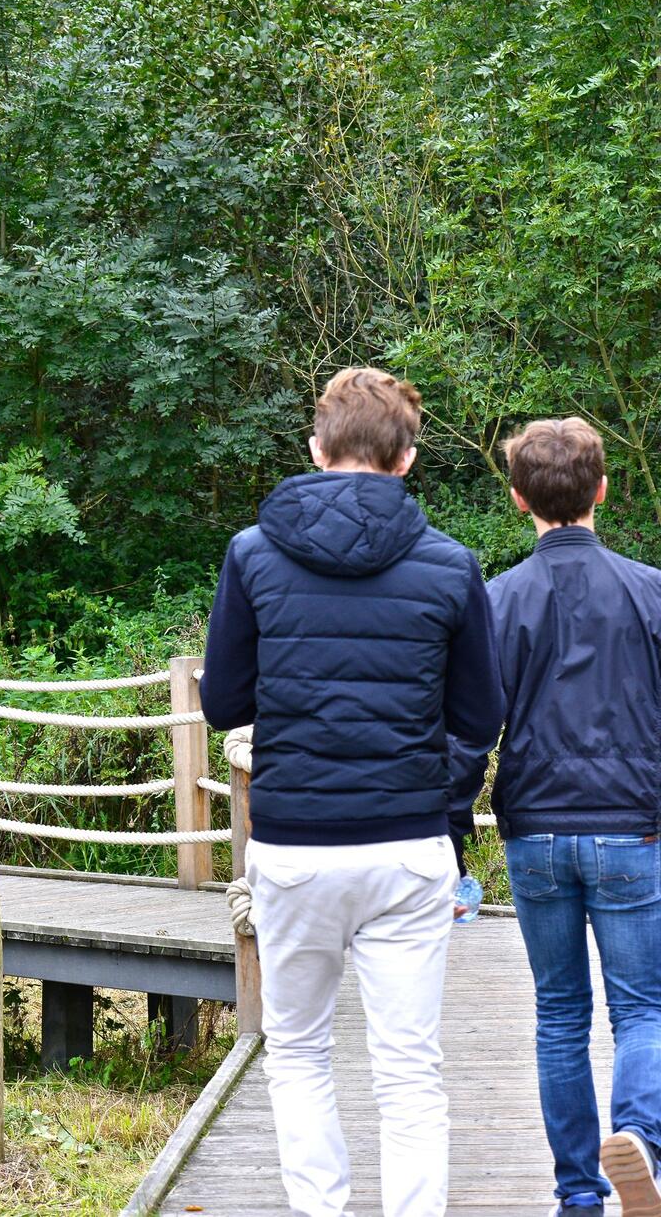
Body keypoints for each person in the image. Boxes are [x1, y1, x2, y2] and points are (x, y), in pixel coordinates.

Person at [199, 367, 506, 1217]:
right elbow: (479, 713)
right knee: (410, 1069)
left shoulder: (253, 555)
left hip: (295, 843)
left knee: (297, 1051)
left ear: (316, 448)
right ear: (408, 459)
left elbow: (224, 702)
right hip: (408, 846)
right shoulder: (450, 565)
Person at [448, 418, 661, 1217]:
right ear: (603, 488)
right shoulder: (650, 592)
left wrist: (452, 833)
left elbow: (469, 727)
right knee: (643, 1005)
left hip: (534, 829)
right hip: (631, 826)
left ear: (517, 498)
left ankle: (578, 1192)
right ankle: (640, 1137)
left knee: (560, 1012)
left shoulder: (498, 602)